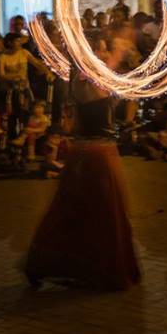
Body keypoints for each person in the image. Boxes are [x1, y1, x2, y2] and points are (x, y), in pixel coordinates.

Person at [24, 62, 141, 290]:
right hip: (92, 154)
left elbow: (128, 101)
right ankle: (52, 265)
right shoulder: (83, 86)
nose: (105, 58)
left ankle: (85, 267)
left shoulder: (100, 85)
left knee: (101, 210)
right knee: (82, 209)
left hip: (103, 152)